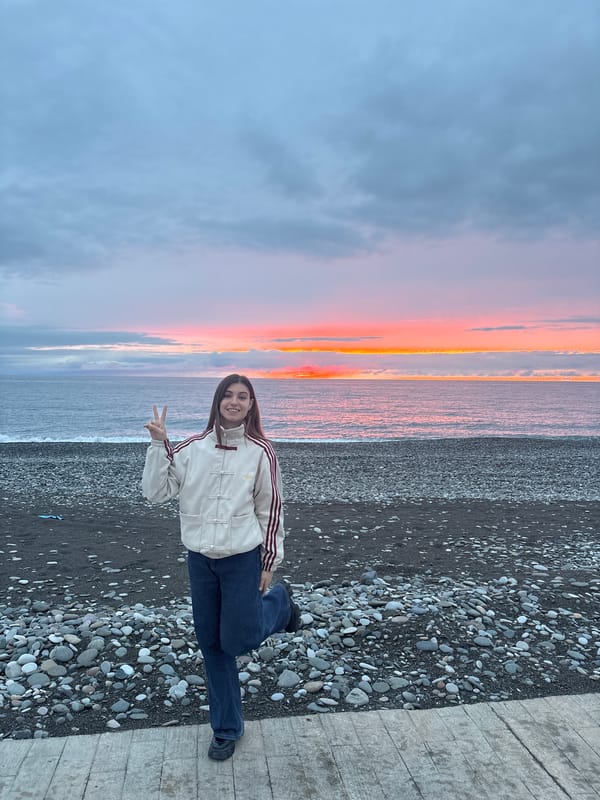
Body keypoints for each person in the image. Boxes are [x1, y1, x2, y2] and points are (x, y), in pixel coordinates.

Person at [142, 374, 300, 761]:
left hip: (243, 559)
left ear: (251, 405)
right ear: (217, 401)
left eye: (242, 396)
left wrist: (269, 563)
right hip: (200, 561)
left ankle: (279, 603)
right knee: (212, 645)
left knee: (238, 640)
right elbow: (155, 493)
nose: (234, 401)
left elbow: (270, 509)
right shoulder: (191, 448)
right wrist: (158, 444)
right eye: (228, 395)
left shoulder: (261, 452)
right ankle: (227, 729)